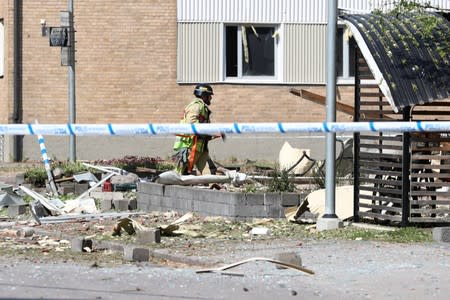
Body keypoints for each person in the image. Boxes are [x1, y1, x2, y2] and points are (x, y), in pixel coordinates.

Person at [172, 83, 224, 175]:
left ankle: (213, 187)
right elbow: (191, 123)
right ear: (203, 95)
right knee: (179, 174)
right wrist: (207, 132)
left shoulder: (202, 107)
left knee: (210, 173)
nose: (211, 98)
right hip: (190, 146)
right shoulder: (196, 106)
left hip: (200, 148)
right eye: (209, 95)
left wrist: (213, 133)